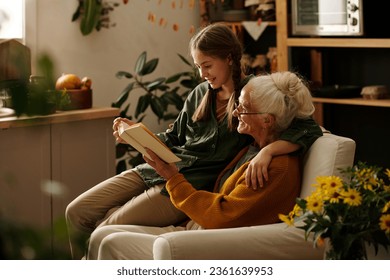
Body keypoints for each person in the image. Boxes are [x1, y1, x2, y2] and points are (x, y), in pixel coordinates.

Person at [65, 23, 322, 259]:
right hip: (156, 169)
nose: (202, 74)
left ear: (229, 58)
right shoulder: (201, 93)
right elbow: (175, 137)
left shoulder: (254, 96)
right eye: (198, 66)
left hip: (185, 182)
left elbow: (307, 125)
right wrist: (136, 136)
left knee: (106, 229)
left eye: (207, 65)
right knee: (76, 211)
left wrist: (269, 151)